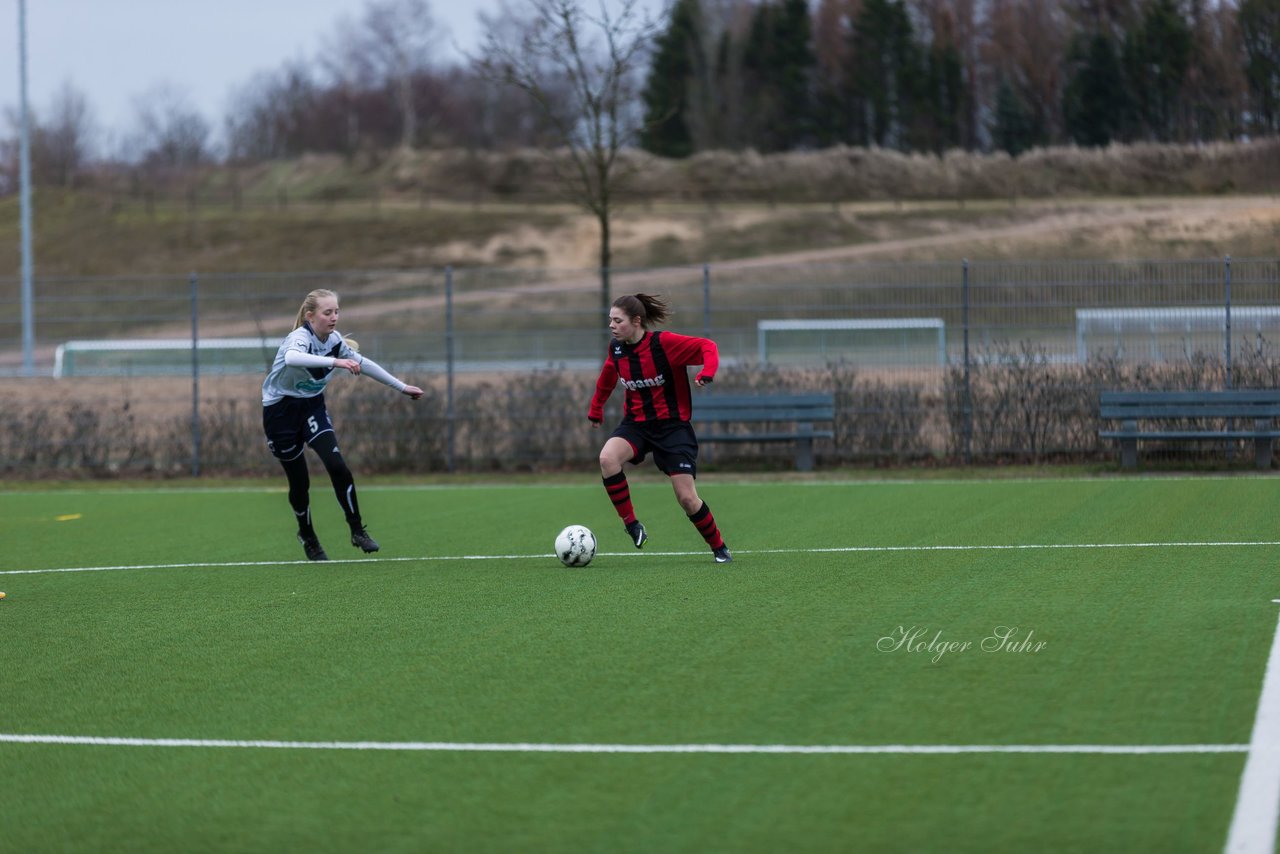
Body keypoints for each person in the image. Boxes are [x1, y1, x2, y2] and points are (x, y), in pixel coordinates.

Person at [262, 288, 424, 561]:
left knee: (337, 465)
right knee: (300, 484)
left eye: (336, 311)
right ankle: (307, 535)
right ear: (310, 316)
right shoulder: (299, 337)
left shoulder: (334, 340)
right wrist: (336, 362)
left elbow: (363, 363)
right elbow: (292, 358)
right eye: (328, 312)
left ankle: (357, 529)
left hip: (312, 406)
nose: (334, 317)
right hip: (281, 412)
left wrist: (401, 386)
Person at [588, 293, 732, 563]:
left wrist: (706, 373)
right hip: (636, 426)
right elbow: (608, 374)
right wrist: (596, 408)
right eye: (610, 320)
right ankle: (632, 524)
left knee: (687, 499)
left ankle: (719, 547)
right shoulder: (617, 349)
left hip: (672, 428)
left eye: (617, 320)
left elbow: (708, 347)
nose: (611, 325)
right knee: (607, 458)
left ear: (636, 321)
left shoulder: (664, 344)